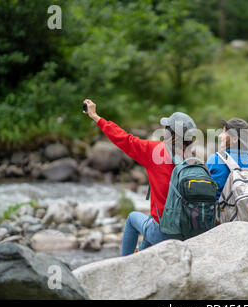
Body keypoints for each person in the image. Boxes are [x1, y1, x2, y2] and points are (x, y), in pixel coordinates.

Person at [83, 99, 196, 256]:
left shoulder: (155, 151)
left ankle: (125, 263)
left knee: (132, 218)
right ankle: (141, 255)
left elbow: (124, 139)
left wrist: (96, 117)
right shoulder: (194, 161)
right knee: (150, 224)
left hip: (164, 234)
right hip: (191, 234)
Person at [206, 118, 248, 200]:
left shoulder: (215, 160)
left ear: (234, 139)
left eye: (224, 132)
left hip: (220, 211)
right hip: (247, 211)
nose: (220, 135)